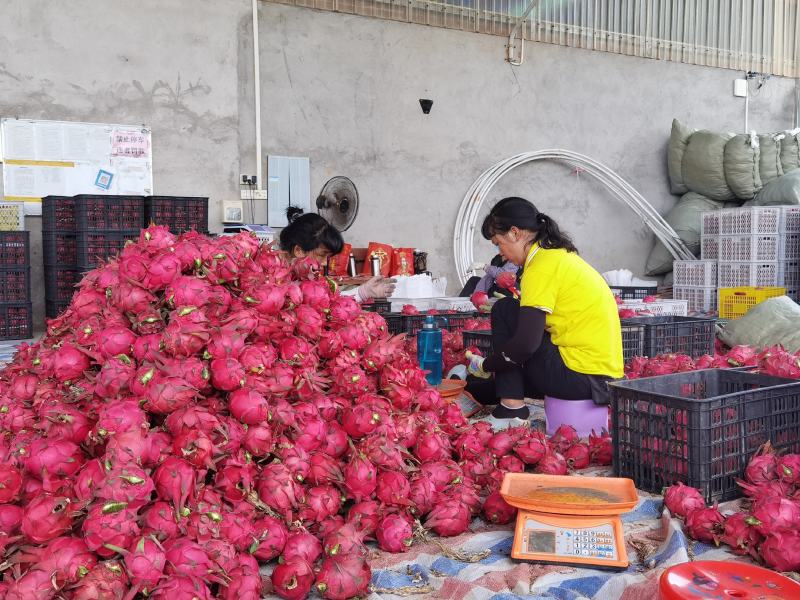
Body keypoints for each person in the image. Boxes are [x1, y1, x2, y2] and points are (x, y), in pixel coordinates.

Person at [466, 197, 623, 425]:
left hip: (580, 377)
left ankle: (511, 408)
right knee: (486, 387)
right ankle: (504, 397)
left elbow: (525, 346)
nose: (501, 254)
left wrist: (485, 365)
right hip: (603, 379)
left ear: (515, 233)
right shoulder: (558, 256)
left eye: (499, 243)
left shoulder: (540, 267)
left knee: (504, 309)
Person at [279, 208, 396, 301]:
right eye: (321, 255)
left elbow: (329, 302)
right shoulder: (274, 283)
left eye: (328, 257)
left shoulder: (307, 279)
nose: (325, 263)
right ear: (299, 251)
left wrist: (364, 292)